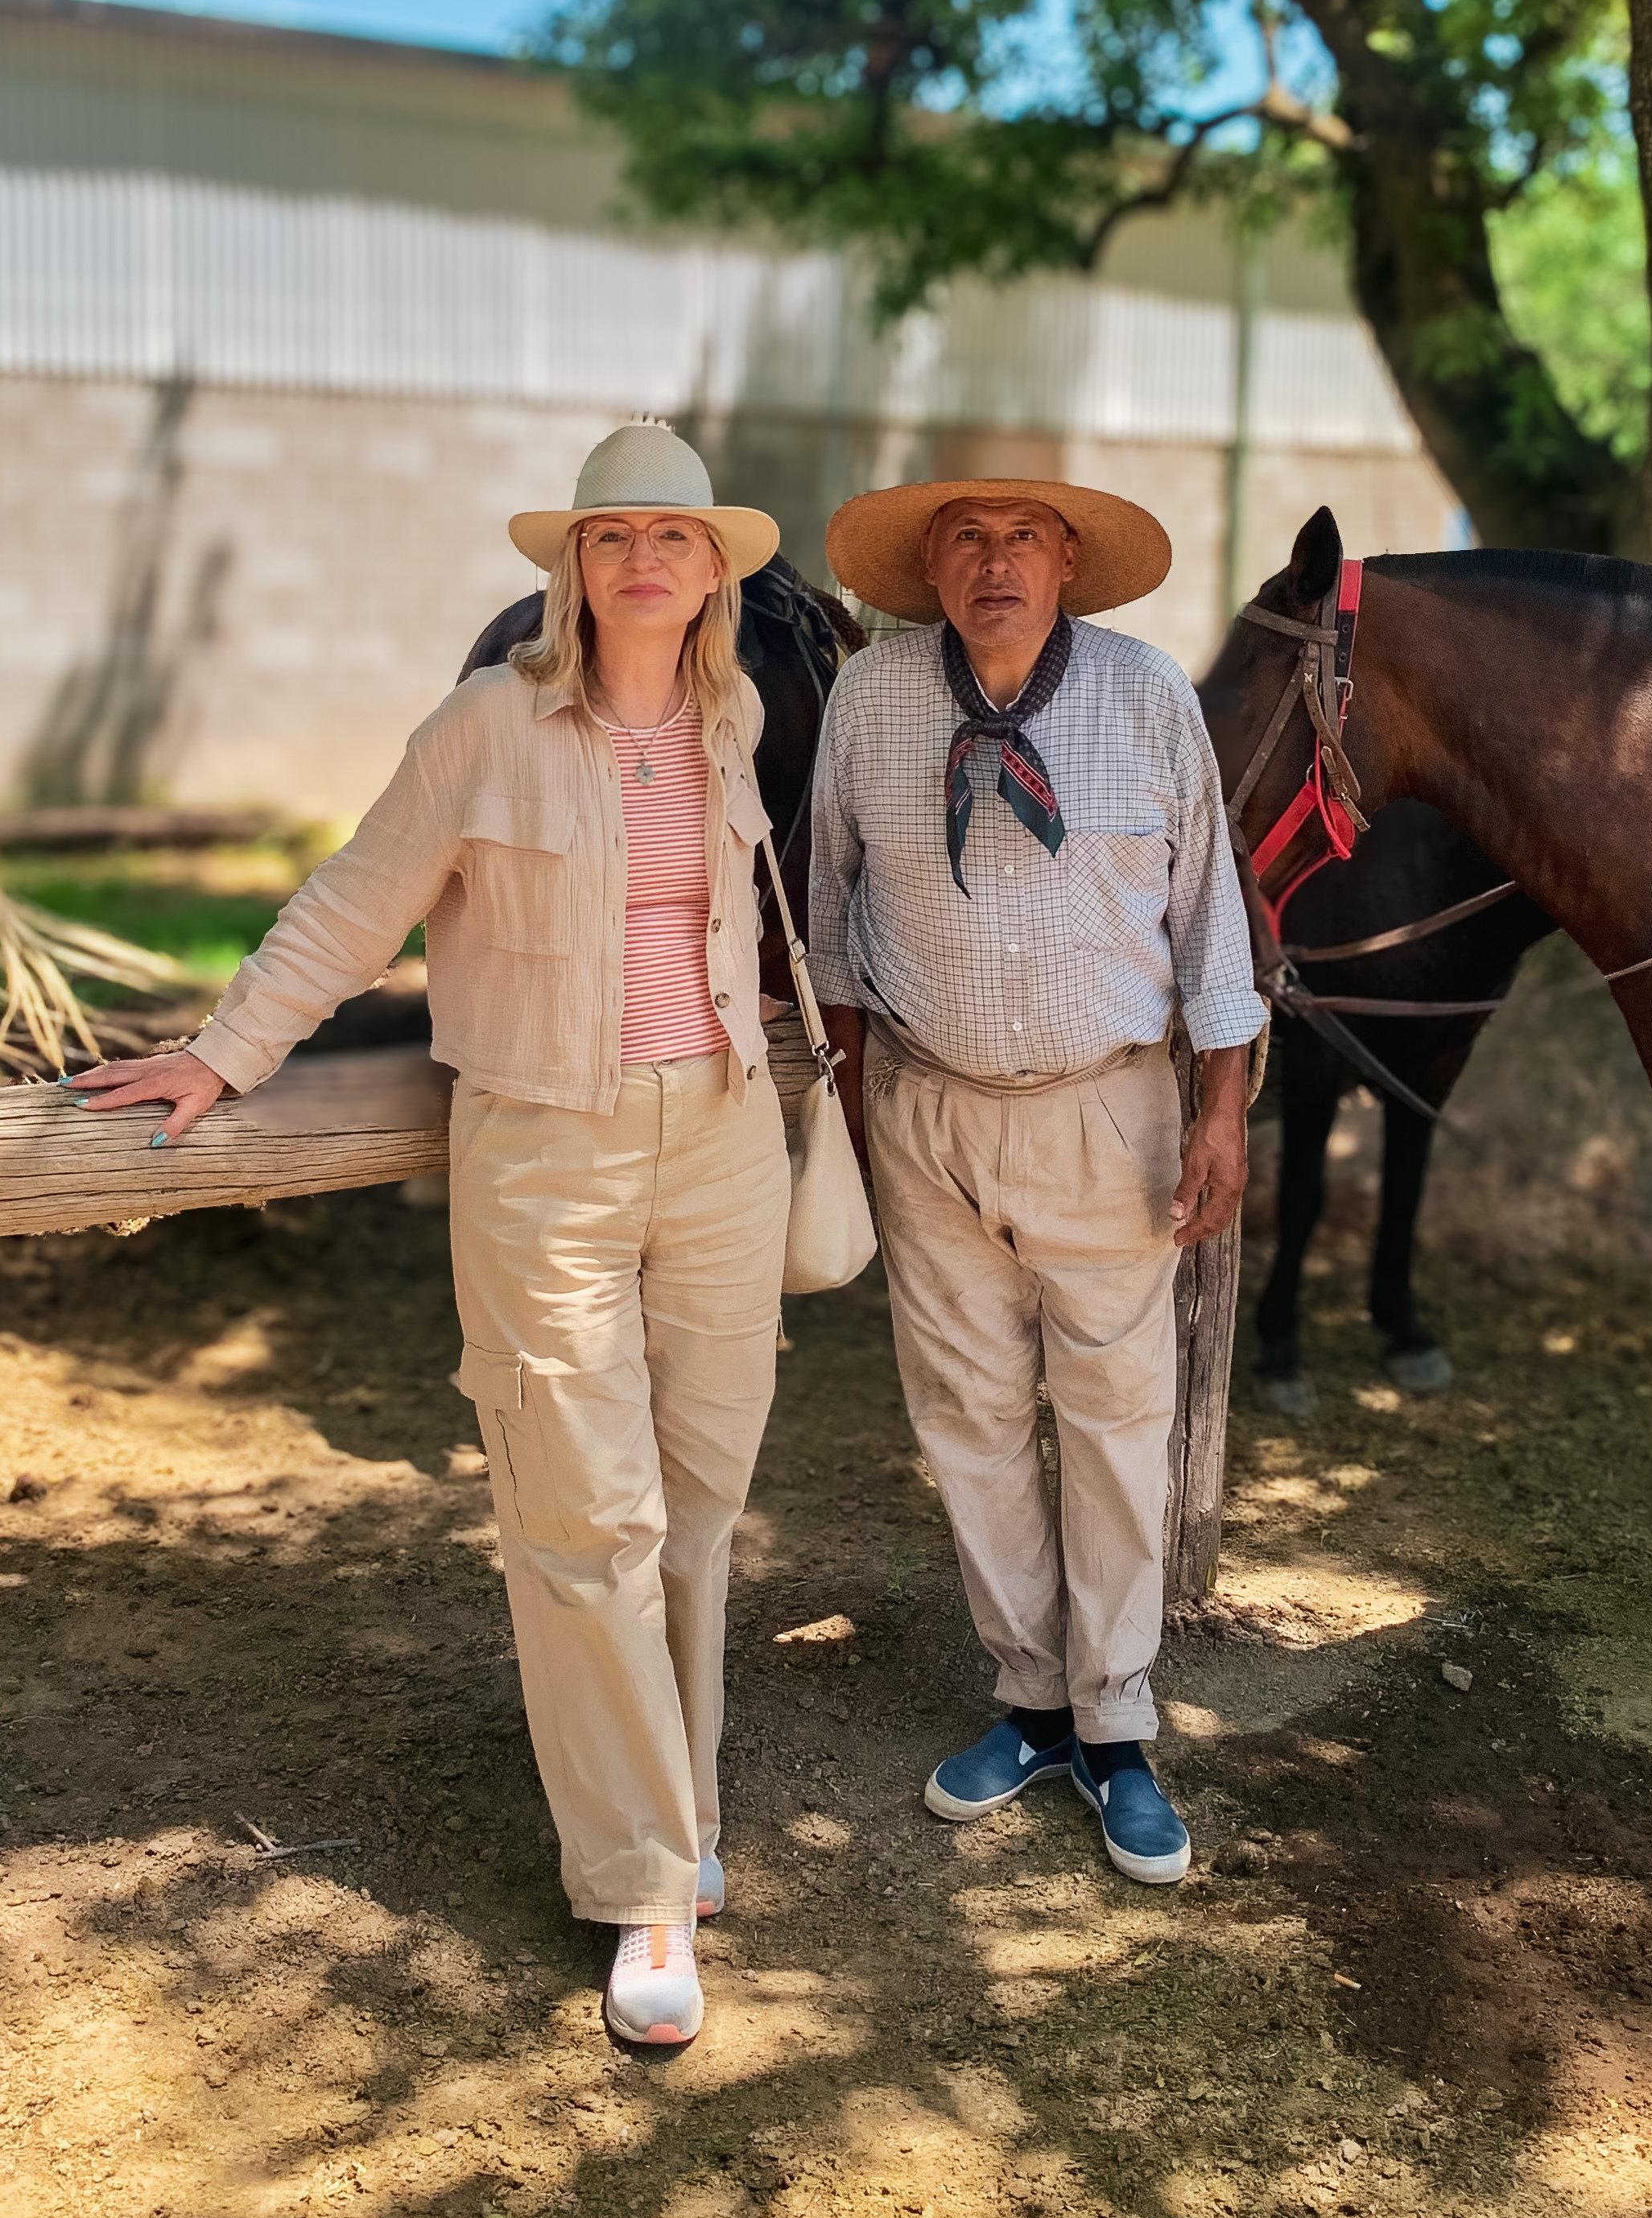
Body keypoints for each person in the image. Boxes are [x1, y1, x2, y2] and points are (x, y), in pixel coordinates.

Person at [65, 424, 792, 2049]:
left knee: (700, 1498)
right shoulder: (488, 726)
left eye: (674, 536)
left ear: (712, 569)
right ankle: (646, 1887)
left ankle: (682, 1808)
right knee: (580, 1510)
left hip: (727, 1136)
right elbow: (353, 898)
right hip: (548, 1149)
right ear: (576, 568)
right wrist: (227, 1049)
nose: (644, 561)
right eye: (614, 537)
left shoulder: (735, 720)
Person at [808, 476, 1262, 1885]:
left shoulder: (1144, 697)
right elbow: (829, 906)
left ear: (1067, 561)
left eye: (1021, 538)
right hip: (926, 1111)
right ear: (928, 568)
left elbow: (1212, 920)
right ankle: (1032, 1698)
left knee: (1121, 1414)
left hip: (1106, 1112)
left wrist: (1224, 1109)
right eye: (965, 537)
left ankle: (1119, 1725)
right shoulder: (872, 699)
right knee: (968, 1417)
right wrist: (842, 1109)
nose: (993, 562)